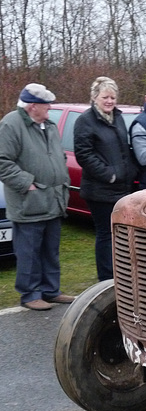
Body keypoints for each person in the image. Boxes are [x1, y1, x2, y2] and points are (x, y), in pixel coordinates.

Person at [0, 83, 74, 310]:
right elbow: (2, 162)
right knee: (29, 251)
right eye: (46, 104)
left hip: (53, 199)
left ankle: (51, 290)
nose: (50, 108)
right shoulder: (11, 124)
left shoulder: (49, 125)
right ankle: (30, 294)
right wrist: (27, 183)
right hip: (28, 203)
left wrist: (62, 179)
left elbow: (57, 156)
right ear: (33, 106)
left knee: (50, 250)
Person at [74, 77, 138, 281]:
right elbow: (84, 154)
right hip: (99, 190)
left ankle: (122, 275)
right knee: (105, 234)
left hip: (122, 188)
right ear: (95, 98)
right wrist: (108, 175)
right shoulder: (85, 121)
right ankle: (106, 279)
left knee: (121, 235)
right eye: (105, 97)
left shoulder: (117, 118)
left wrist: (131, 171)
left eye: (113, 97)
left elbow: (123, 149)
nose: (109, 101)